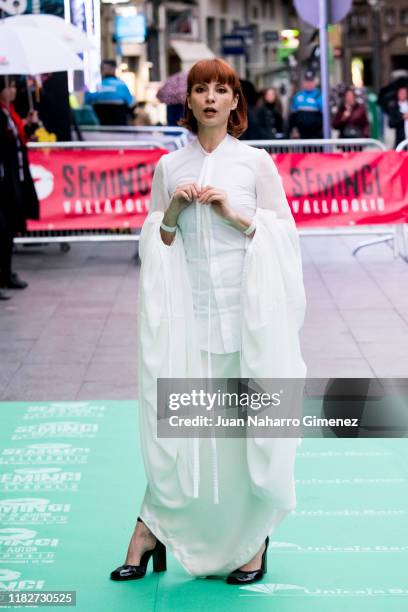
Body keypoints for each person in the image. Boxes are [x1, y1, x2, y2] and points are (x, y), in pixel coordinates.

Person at [110, 58, 306, 584]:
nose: (212, 98)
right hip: (188, 320)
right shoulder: (169, 167)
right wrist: (171, 213)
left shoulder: (256, 163)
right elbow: (158, 241)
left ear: (236, 100)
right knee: (182, 431)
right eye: (202, 90)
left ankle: (254, 541)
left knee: (250, 430)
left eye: (222, 90)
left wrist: (234, 217)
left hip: (247, 319)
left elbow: (284, 237)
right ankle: (149, 527)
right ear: (189, 102)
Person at [0, 76, 40, 299]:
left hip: (13, 179)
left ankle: (6, 274)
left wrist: (29, 124)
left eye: (14, 86)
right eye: (9, 86)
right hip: (3, 180)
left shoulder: (9, 113)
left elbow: (18, 140)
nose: (13, 90)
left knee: (9, 230)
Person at [84, 60, 135, 126]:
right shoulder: (122, 85)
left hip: (101, 127)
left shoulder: (97, 86)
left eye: (103, 69)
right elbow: (131, 104)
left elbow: (86, 102)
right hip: (121, 127)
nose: (102, 71)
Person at [288, 70, 323, 139]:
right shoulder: (297, 96)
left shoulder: (320, 96)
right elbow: (293, 117)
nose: (309, 84)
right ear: (303, 82)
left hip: (316, 135)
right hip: (301, 135)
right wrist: (294, 130)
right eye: (307, 81)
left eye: (311, 81)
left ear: (314, 82)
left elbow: (324, 116)